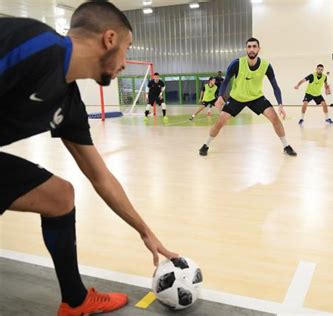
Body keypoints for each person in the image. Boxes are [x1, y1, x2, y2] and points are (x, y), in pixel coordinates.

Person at [0, 2, 178, 315]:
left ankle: (75, 301)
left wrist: (145, 231)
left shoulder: (68, 103)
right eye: (128, 47)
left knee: (59, 195)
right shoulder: (34, 43)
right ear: (109, 39)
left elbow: (101, 177)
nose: (125, 62)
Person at [198, 37, 297, 157]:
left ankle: (286, 146)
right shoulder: (237, 63)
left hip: (256, 97)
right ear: (246, 49)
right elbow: (226, 82)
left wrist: (280, 104)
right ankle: (206, 145)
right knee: (220, 121)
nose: (251, 49)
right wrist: (220, 97)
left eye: (254, 46)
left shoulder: (266, 65)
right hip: (237, 98)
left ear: (259, 49)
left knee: (275, 118)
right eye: (249, 47)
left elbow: (275, 86)